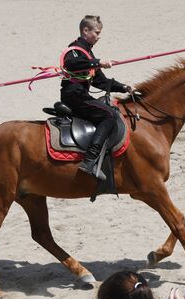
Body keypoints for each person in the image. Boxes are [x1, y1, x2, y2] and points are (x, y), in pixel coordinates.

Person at [60, 15, 132, 180]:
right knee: (109, 115)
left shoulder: (87, 53)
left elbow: (101, 81)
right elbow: (70, 64)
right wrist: (97, 62)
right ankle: (90, 160)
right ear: (86, 31)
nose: (99, 37)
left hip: (80, 95)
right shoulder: (75, 49)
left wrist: (123, 87)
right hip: (74, 95)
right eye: (97, 33)